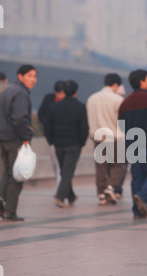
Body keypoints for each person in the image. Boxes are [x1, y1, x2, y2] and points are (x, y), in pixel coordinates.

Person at [0, 64, 38, 221]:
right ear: (20, 76)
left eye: (35, 76)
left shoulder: (8, 90)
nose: (33, 79)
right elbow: (19, 118)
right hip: (15, 139)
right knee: (18, 175)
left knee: (8, 171)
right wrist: (26, 135)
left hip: (2, 138)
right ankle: (10, 211)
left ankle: (0, 200)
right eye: (29, 76)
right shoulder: (21, 93)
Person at [119, 69, 147, 220]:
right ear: (141, 81)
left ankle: (137, 212)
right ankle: (142, 196)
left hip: (133, 144)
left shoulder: (125, 102)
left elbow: (121, 125)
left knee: (137, 177)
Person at [44, 80, 89, 208]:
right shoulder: (80, 107)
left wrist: (51, 140)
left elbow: (48, 126)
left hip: (58, 144)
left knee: (65, 170)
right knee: (67, 171)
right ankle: (60, 197)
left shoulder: (54, 106)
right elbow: (84, 127)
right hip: (74, 144)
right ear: (76, 92)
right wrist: (82, 142)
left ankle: (71, 196)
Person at [87, 73, 126, 206]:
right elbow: (121, 120)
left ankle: (101, 195)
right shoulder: (118, 100)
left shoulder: (92, 98)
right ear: (116, 84)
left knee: (101, 167)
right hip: (114, 137)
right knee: (119, 164)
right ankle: (110, 187)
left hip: (97, 137)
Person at [38, 81, 66, 185]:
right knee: (56, 162)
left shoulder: (68, 101)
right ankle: (61, 185)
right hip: (52, 136)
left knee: (63, 163)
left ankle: (62, 187)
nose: (61, 96)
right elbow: (41, 114)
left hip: (66, 136)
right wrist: (47, 124)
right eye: (59, 93)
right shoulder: (49, 99)